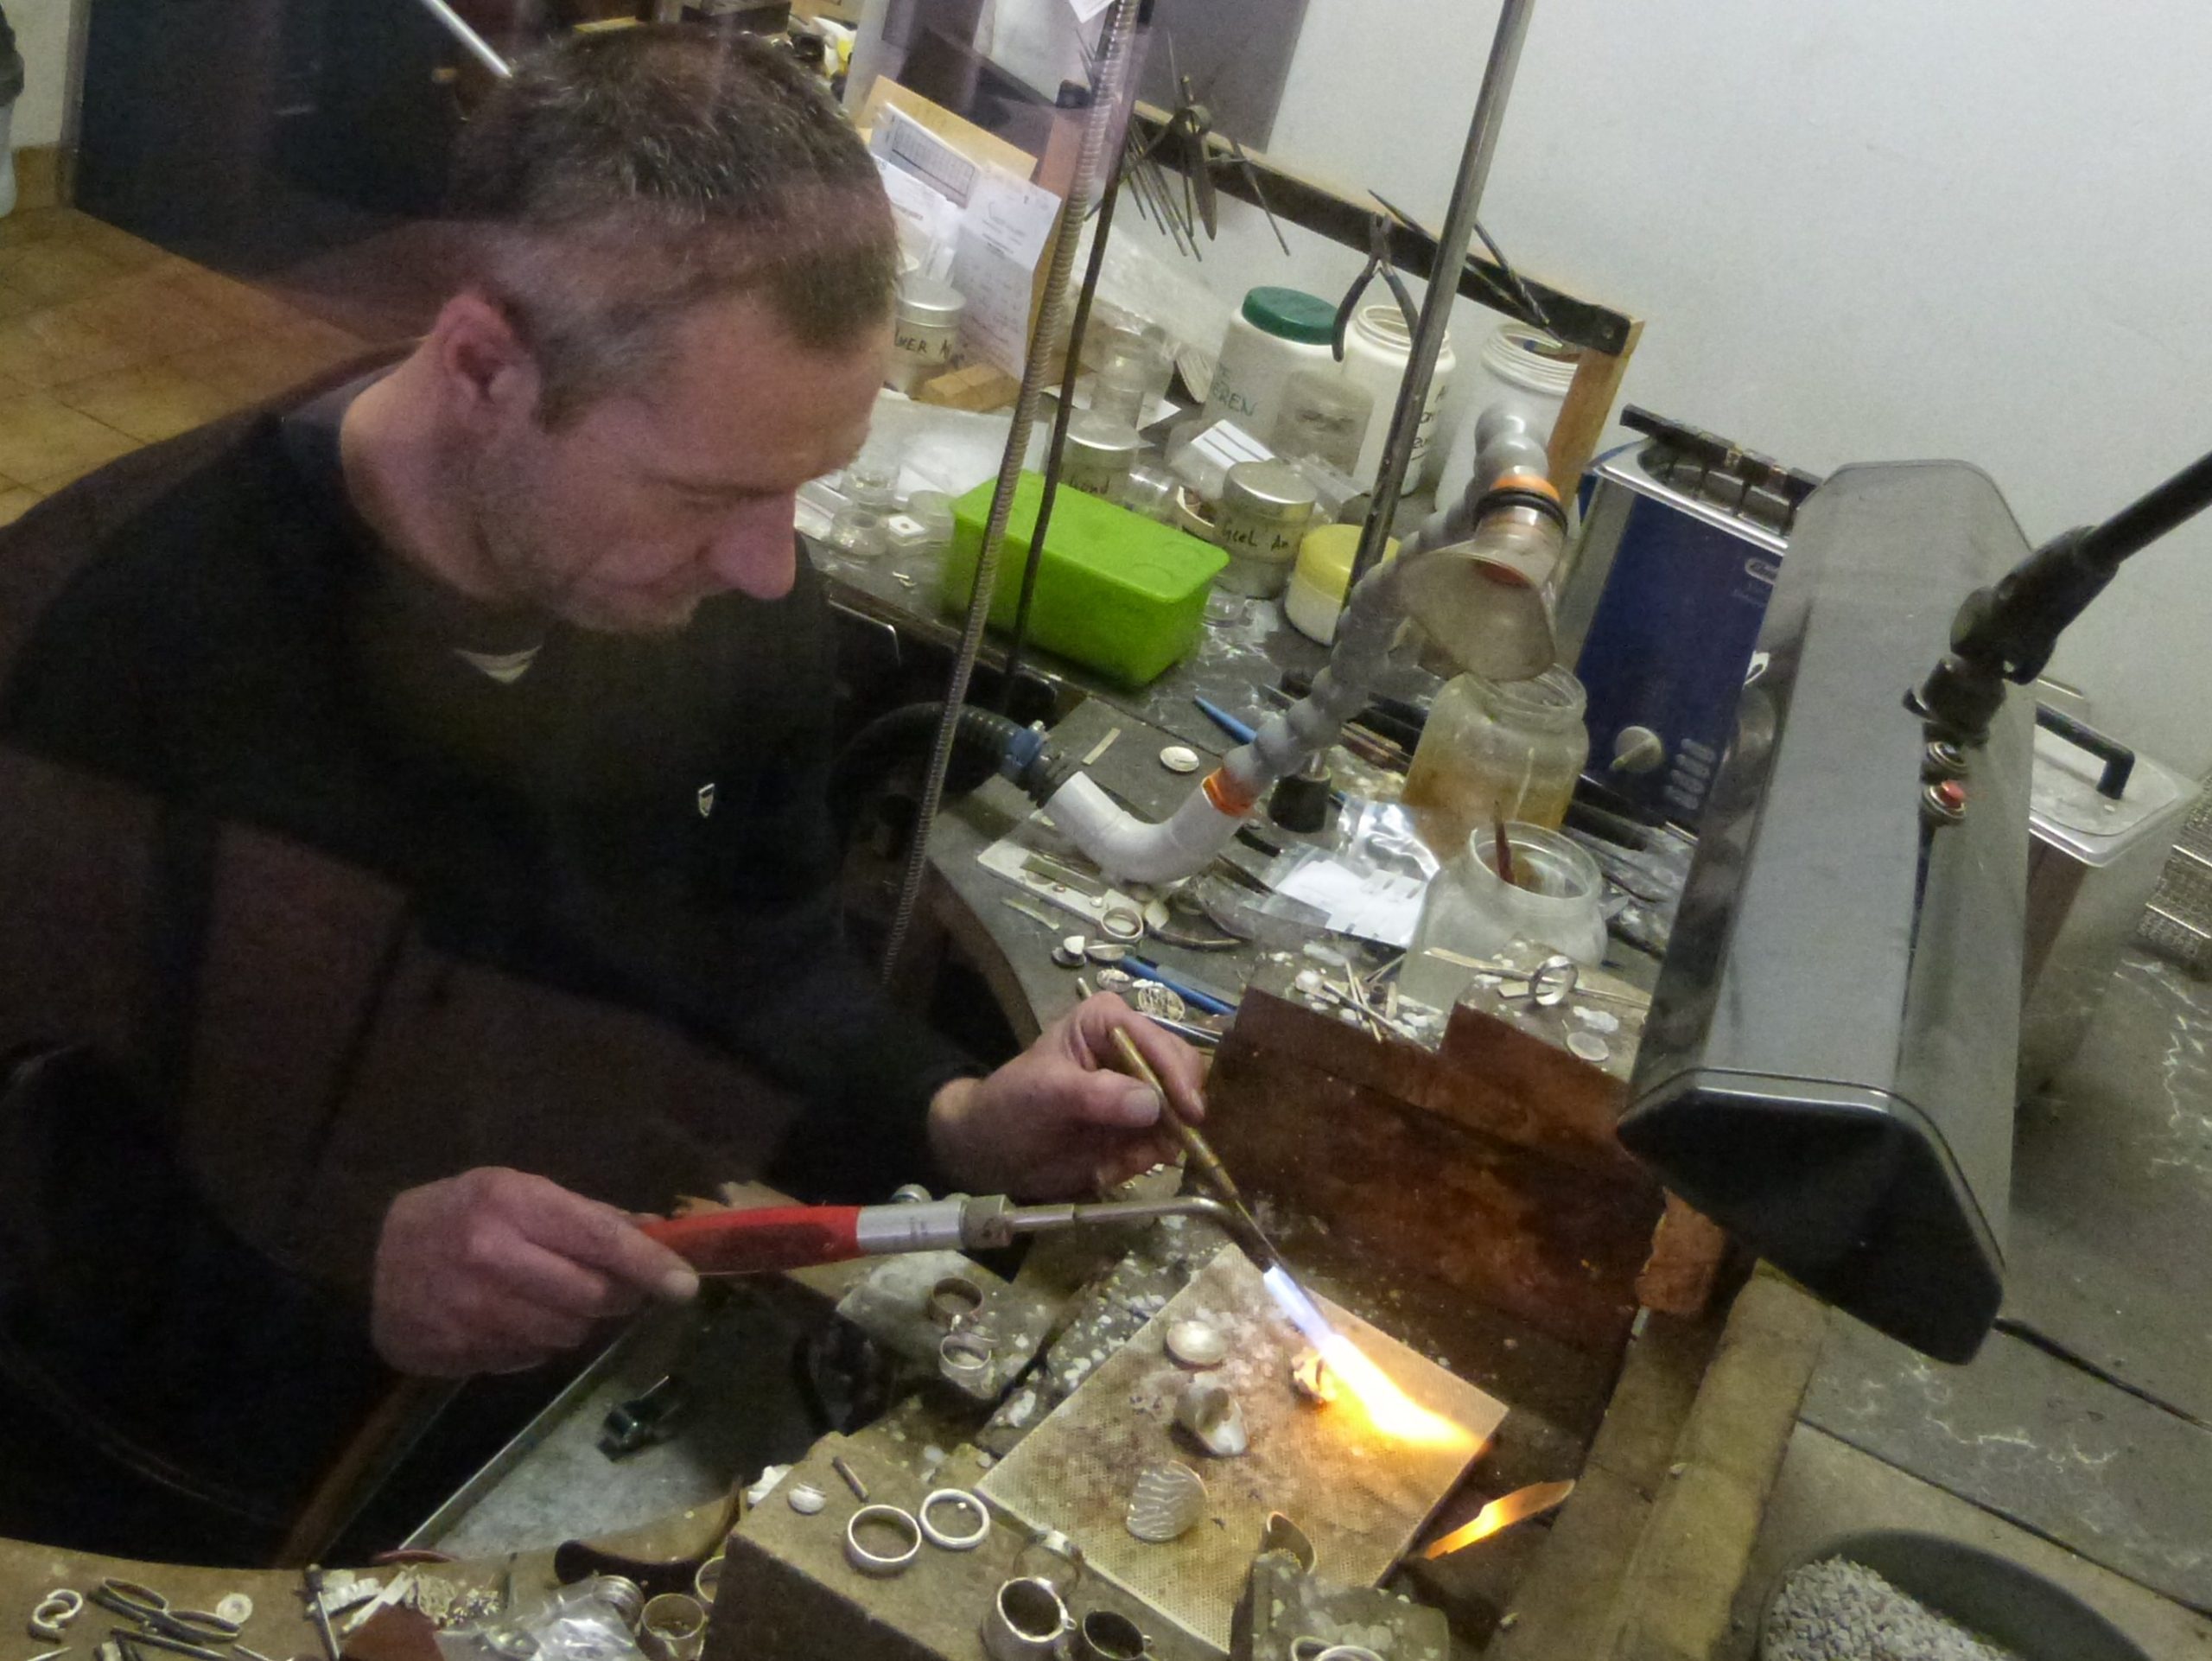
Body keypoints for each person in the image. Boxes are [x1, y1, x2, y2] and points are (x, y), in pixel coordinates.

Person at [0, 25, 1199, 1548]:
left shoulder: (728, 608)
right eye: (709, 493)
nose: (771, 565)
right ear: (487, 366)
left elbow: (758, 960)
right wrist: (346, 1266)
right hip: (154, 1465)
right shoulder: (103, 645)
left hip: (522, 1400)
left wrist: (954, 1115)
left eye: (801, 487)